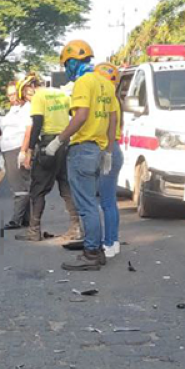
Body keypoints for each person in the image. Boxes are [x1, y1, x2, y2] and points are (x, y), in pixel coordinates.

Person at [45, 39, 117, 271]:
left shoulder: (84, 83)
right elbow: (113, 118)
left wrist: (58, 140)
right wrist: (107, 149)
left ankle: (91, 253)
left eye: (66, 64)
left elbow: (81, 115)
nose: (66, 70)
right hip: (98, 149)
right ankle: (97, 249)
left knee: (86, 205)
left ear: (74, 61)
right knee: (93, 203)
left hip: (83, 148)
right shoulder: (105, 83)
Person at [15, 74, 81, 242]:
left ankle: (34, 230)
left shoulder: (38, 96)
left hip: (48, 143)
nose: (29, 100)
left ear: (30, 88)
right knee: (66, 186)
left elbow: (37, 123)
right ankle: (76, 228)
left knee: (38, 189)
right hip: (64, 141)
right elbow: (73, 114)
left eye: (27, 96)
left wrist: (29, 150)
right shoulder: (61, 94)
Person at [94, 62, 124, 259]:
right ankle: (112, 241)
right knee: (109, 201)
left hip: (107, 151)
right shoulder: (115, 100)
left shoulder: (104, 101)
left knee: (105, 202)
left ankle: (109, 243)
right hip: (113, 151)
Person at [0, 78, 33, 230]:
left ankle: (16, 219)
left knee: (19, 186)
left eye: (14, 93)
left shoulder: (26, 108)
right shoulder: (13, 109)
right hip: (8, 148)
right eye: (9, 95)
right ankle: (26, 218)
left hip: (17, 148)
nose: (12, 97)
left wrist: (24, 151)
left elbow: (28, 130)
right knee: (17, 184)